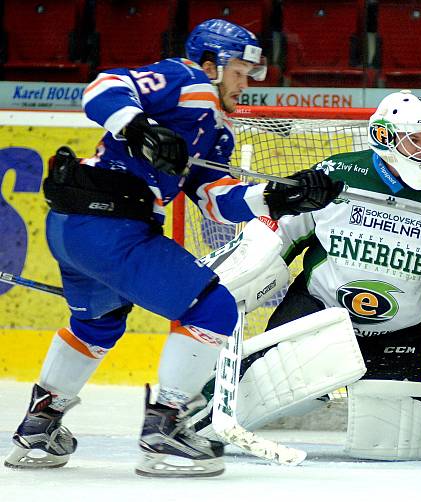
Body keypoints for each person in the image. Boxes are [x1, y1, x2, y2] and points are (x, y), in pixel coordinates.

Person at [4, 19, 340, 477]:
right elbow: (104, 86)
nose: (247, 84)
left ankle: (38, 429)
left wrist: (279, 198)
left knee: (96, 324)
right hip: (109, 224)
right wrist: (139, 127)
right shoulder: (189, 82)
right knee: (213, 309)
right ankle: (167, 429)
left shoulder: (217, 132)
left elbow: (215, 201)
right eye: (241, 71)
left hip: (75, 227)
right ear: (212, 64)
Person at [188, 90, 421, 461]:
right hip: (317, 314)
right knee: (271, 385)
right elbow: (282, 227)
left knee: (387, 442)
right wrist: (254, 255)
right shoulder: (335, 176)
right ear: (383, 136)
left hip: (399, 332)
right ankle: (186, 418)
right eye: (414, 138)